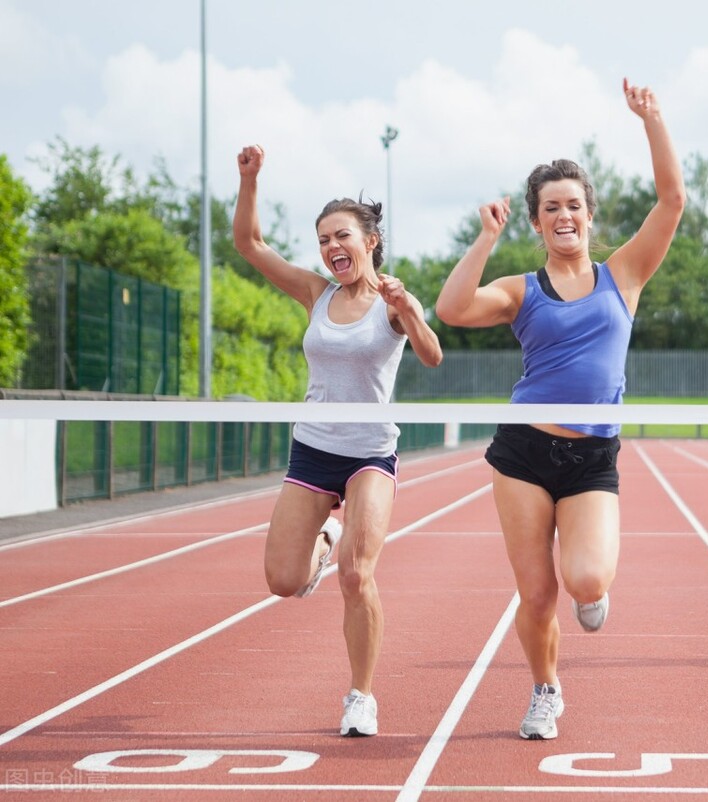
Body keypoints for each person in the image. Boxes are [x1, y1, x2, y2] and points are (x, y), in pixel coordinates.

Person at [434, 78, 685, 740]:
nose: (564, 214)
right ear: (538, 219)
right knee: (537, 593)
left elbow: (672, 200)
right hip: (522, 453)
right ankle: (545, 691)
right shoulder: (521, 289)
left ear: (590, 215)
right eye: (551, 206)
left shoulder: (624, 275)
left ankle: (594, 591)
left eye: (574, 203)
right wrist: (486, 238)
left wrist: (652, 120)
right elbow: (453, 310)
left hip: (590, 455)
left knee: (585, 579)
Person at [232, 144, 443, 736]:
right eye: (323, 239)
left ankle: (360, 696)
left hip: (370, 452)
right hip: (314, 448)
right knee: (284, 581)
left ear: (369, 240)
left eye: (341, 236)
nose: (331, 248)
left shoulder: (394, 302)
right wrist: (249, 179)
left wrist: (410, 311)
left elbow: (431, 356)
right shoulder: (315, 294)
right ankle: (326, 535)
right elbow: (250, 245)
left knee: (358, 575)